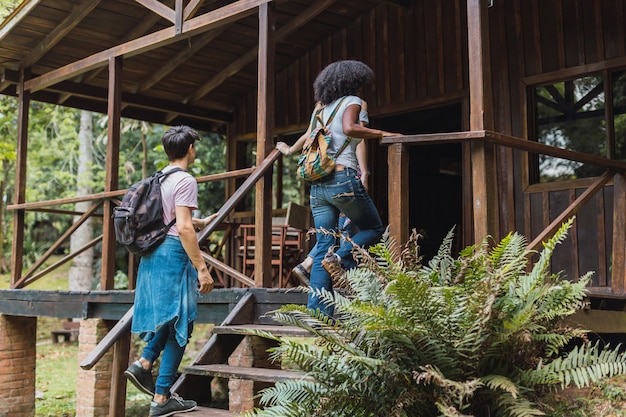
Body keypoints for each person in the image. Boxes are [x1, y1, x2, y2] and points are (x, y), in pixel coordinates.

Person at [124, 125, 219, 417]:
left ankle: (145, 363)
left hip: (152, 254)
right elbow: (182, 226)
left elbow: (173, 217)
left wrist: (196, 221)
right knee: (182, 324)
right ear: (190, 148)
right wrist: (202, 268)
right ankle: (162, 398)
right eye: (195, 145)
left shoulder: (159, 178)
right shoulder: (186, 179)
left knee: (171, 316)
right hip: (173, 255)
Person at [299, 60, 399, 318]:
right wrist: (382, 133)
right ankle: (342, 257)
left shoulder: (320, 110)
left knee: (323, 245)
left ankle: (318, 315)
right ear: (352, 82)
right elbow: (350, 128)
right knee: (373, 228)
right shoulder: (352, 101)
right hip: (342, 179)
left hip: (318, 185)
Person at [276, 101, 371, 285]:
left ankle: (311, 267)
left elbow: (309, 135)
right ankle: (344, 279)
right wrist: (365, 173)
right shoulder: (358, 103)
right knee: (356, 228)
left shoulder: (321, 105)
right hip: (346, 173)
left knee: (329, 234)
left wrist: (289, 151)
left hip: (322, 174)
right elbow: (359, 138)